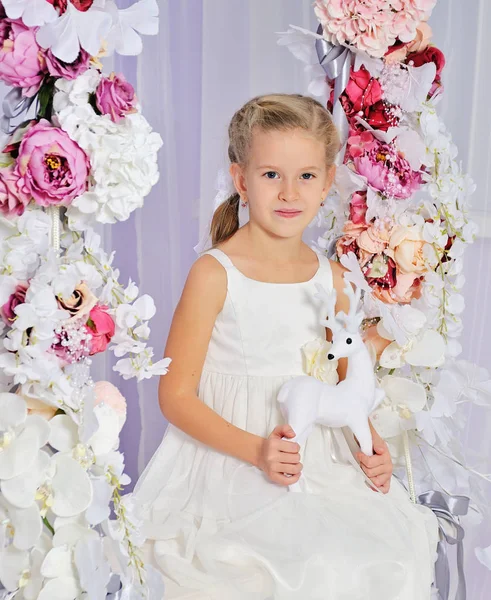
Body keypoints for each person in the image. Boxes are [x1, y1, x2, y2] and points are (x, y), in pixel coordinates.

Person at [133, 94, 439, 599]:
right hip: (234, 457)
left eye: (307, 176)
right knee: (281, 568)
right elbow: (176, 397)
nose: (289, 192)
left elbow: (346, 392)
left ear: (326, 183)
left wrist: (372, 448)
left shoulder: (333, 278)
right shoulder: (214, 274)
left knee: (383, 556)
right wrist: (257, 451)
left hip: (319, 457)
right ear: (242, 181)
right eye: (272, 175)